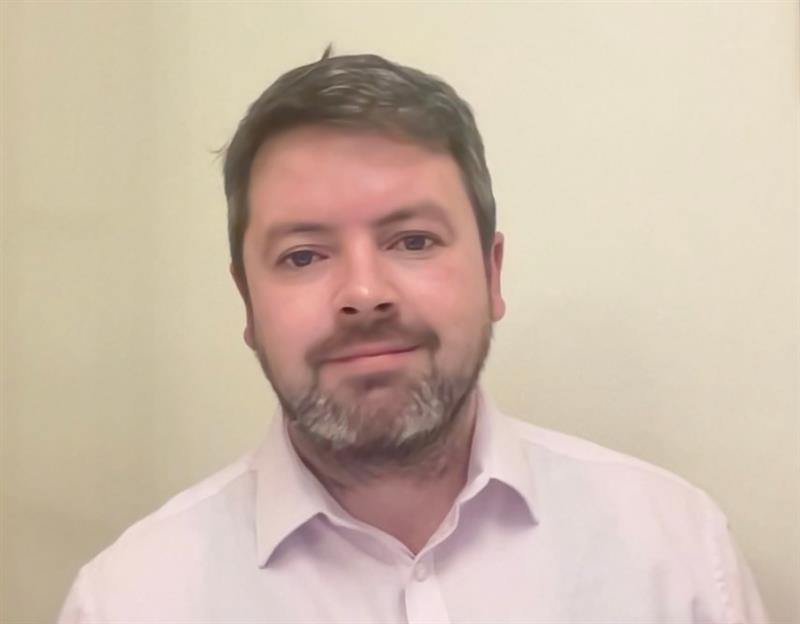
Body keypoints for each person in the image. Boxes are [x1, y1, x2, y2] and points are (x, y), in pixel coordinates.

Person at [59, 50, 767, 623]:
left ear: (492, 276)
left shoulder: (677, 554)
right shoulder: (127, 601)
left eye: (414, 240)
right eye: (303, 256)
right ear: (247, 303)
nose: (365, 294)